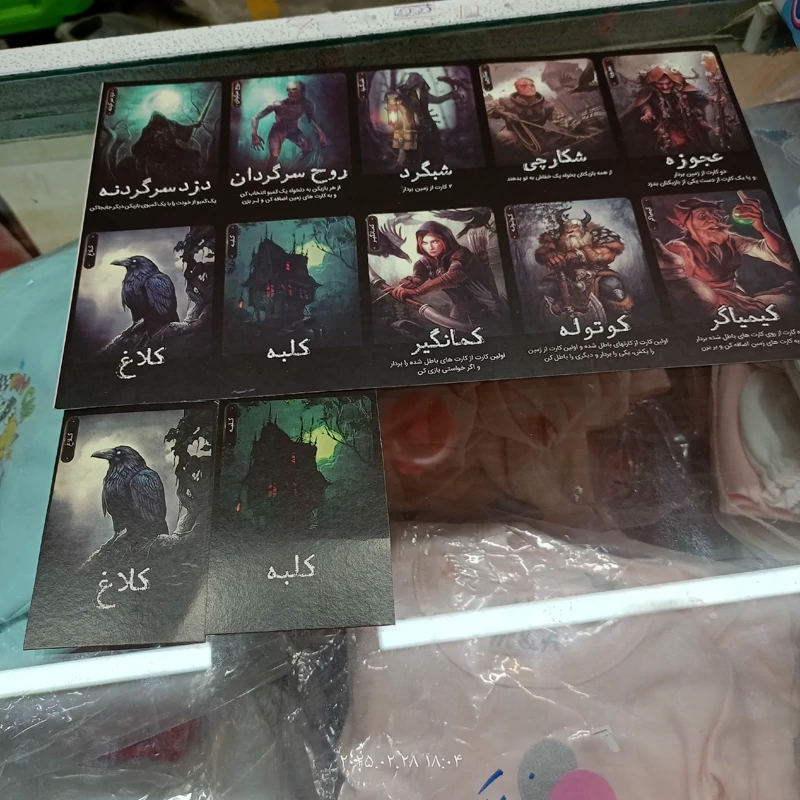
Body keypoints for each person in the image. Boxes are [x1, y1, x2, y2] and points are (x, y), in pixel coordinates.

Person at [657, 196, 796, 317]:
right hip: (713, 309)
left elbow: (776, 251)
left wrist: (762, 229)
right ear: (684, 225)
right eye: (702, 216)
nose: (714, 220)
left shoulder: (731, 241)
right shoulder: (680, 248)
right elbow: (686, 294)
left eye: (716, 214)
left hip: (741, 301)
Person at [389, 221, 500, 325]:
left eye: (435, 241)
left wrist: (416, 292)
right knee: (453, 331)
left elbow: (452, 277)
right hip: (460, 308)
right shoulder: (423, 263)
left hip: (487, 305)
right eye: (424, 243)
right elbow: (419, 278)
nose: (430, 247)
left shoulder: (461, 254)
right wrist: (408, 284)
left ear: (445, 240)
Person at [621, 65, 720, 154]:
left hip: (688, 125)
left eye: (668, 83)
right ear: (653, 84)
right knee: (675, 149)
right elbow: (645, 104)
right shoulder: (650, 93)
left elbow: (698, 95)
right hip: (668, 128)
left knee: (697, 145)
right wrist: (648, 112)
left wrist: (712, 98)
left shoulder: (682, 89)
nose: (665, 87)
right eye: (660, 84)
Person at [487, 76, 582, 159]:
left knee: (568, 136)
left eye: (532, 85)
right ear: (517, 89)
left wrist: (579, 126)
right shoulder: (506, 102)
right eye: (524, 86)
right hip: (517, 137)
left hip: (541, 135)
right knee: (503, 137)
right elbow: (486, 107)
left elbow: (562, 120)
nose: (529, 87)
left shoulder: (546, 105)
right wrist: (502, 113)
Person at [384, 73, 462, 170]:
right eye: (417, 84)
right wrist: (390, 98)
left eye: (420, 84)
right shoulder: (406, 95)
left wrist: (450, 95)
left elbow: (437, 100)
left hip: (427, 123)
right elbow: (393, 99)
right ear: (412, 84)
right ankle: (404, 164)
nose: (419, 86)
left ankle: (433, 163)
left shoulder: (425, 94)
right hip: (411, 124)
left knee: (433, 141)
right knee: (408, 145)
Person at [251, 80, 327, 170]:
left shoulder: (307, 105)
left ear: (302, 92)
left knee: (307, 149)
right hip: (278, 131)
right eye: (289, 90)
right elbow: (255, 117)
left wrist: (321, 132)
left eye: (294, 90)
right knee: (274, 155)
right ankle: (268, 174)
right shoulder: (278, 104)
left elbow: (311, 120)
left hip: (293, 130)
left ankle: (292, 167)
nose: (290, 92)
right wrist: (254, 135)